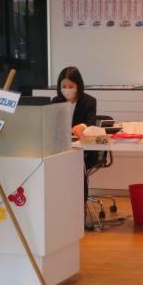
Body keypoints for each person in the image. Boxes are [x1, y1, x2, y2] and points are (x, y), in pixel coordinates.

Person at [52, 66, 98, 208]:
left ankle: (80, 205)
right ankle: (58, 203)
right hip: (61, 149)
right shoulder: (55, 101)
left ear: (78, 85)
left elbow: (91, 124)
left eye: (70, 86)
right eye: (63, 86)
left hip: (84, 151)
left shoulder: (89, 101)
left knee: (76, 163)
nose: (67, 90)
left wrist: (83, 126)